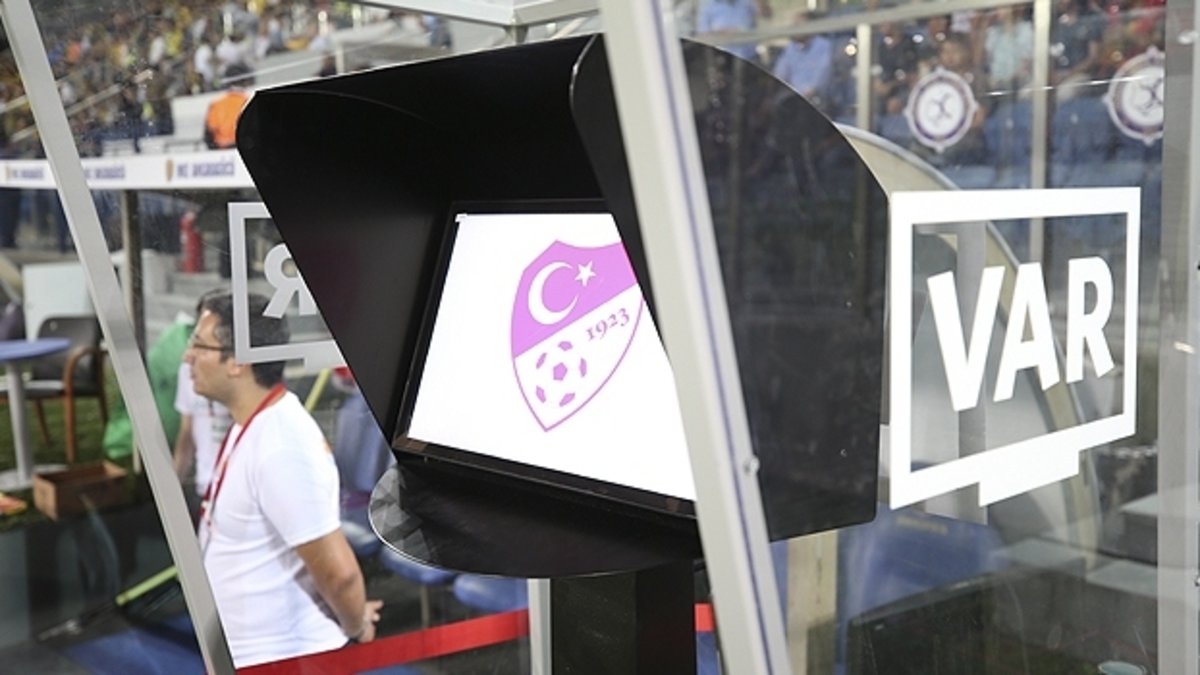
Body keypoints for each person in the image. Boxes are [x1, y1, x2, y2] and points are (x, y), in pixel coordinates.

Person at [186, 292, 381, 668]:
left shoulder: (282, 445)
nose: (187, 356)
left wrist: (357, 627)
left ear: (239, 361)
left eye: (199, 345)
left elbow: (340, 576)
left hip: (285, 659)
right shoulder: (254, 425)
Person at [173, 290, 232, 519]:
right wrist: (173, 488)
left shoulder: (242, 375)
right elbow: (186, 433)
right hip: (205, 486)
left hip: (234, 490)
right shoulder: (188, 371)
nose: (189, 356)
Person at [203, 62, 252, 150]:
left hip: (220, 152)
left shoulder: (216, 104)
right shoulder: (248, 102)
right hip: (243, 150)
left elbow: (208, 135)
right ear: (245, 81)